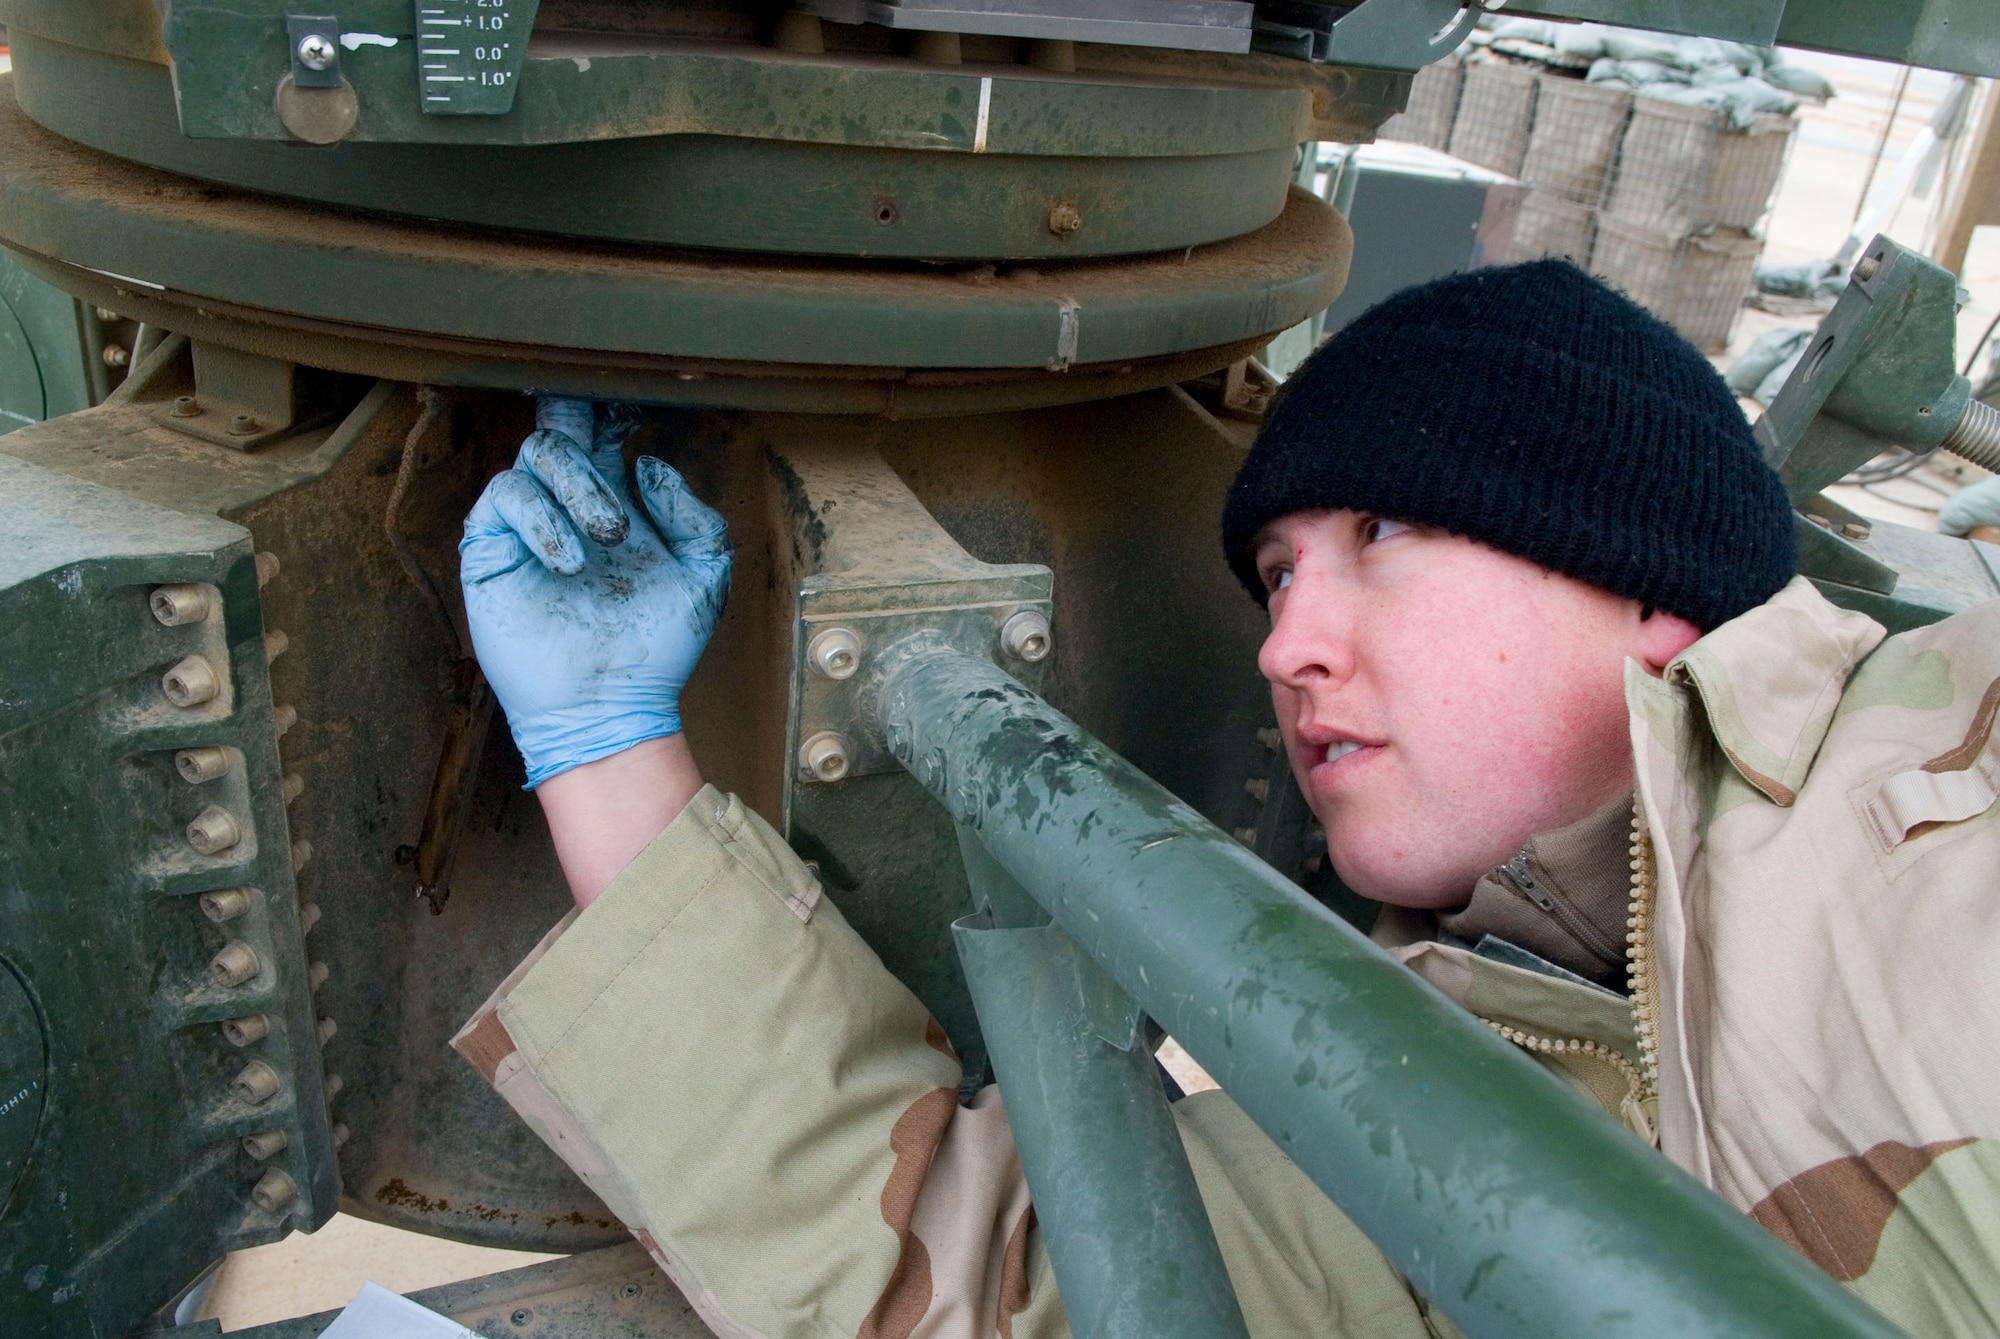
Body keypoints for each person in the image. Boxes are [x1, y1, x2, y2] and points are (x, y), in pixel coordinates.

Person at [452, 262, 2000, 1338]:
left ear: (1645, 583)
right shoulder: (1431, 1070)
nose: (1284, 645)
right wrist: (599, 742)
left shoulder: (1939, 768)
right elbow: (1004, 1289)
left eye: (1380, 529)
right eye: (1275, 579)